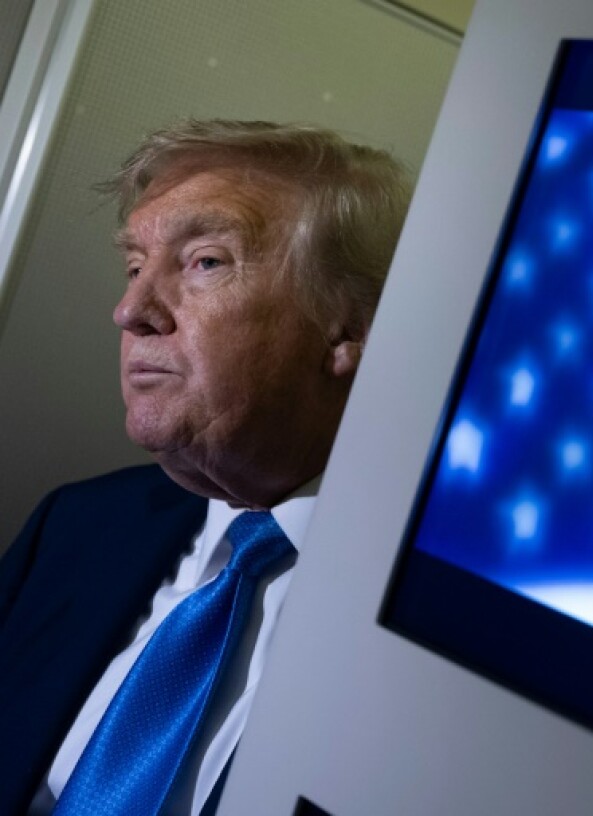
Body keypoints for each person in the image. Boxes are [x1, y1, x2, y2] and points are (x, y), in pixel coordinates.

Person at [0, 119, 412, 815]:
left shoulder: (437, 614)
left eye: (205, 261)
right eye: (135, 266)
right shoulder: (75, 525)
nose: (130, 310)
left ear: (353, 325)